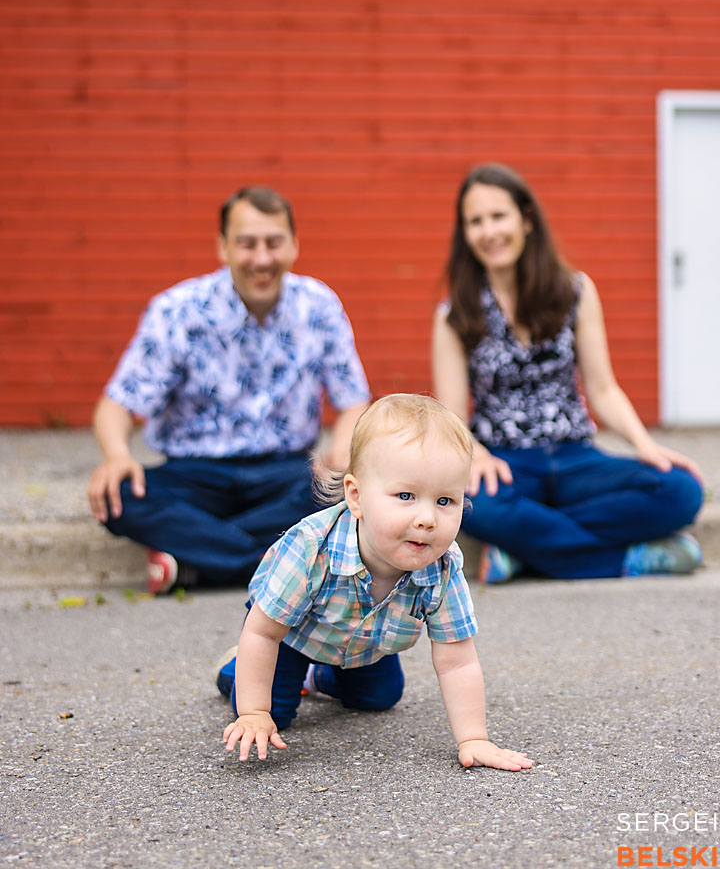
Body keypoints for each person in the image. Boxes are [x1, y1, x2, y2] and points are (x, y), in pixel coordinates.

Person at [216, 393, 533, 770]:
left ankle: (321, 675)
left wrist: (474, 738)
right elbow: (263, 632)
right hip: (287, 632)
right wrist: (253, 711)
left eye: (446, 501)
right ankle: (232, 671)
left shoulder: (443, 566)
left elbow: (457, 661)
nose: (427, 518)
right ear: (356, 496)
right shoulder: (311, 548)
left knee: (380, 697)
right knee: (274, 714)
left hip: (366, 643)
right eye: (405, 495)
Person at [87, 185, 371, 593]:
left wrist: (342, 451)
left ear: (294, 246)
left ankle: (197, 557)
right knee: (119, 497)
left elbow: (354, 400)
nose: (261, 258)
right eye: (246, 244)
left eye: (273, 243)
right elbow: (117, 404)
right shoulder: (178, 310)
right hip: (194, 474)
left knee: (343, 492)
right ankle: (264, 562)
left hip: (284, 471)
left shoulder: (319, 306)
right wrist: (116, 456)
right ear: (223, 248)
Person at [432, 163, 705, 583]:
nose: (489, 231)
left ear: (525, 220)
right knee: (466, 506)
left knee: (681, 491)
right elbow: (450, 415)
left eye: (498, 216)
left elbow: (603, 388)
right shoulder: (454, 314)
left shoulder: (575, 290)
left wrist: (645, 445)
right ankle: (626, 560)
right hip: (505, 465)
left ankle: (525, 551)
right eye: (476, 221)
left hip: (576, 456)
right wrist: (478, 456)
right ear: (464, 233)